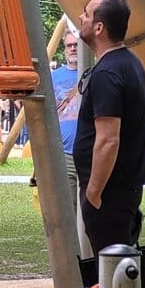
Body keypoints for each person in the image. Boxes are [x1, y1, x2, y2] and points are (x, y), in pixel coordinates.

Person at [71, 0, 145, 288]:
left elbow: (108, 139)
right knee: (115, 282)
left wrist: (94, 191)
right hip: (124, 194)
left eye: (85, 14)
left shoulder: (107, 73)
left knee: (115, 284)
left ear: (99, 26)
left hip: (111, 197)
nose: (80, 19)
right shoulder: (129, 65)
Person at [51, 31, 82, 208]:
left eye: (76, 45)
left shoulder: (94, 74)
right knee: (68, 206)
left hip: (90, 152)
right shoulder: (54, 77)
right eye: (69, 45)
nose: (72, 49)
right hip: (64, 153)